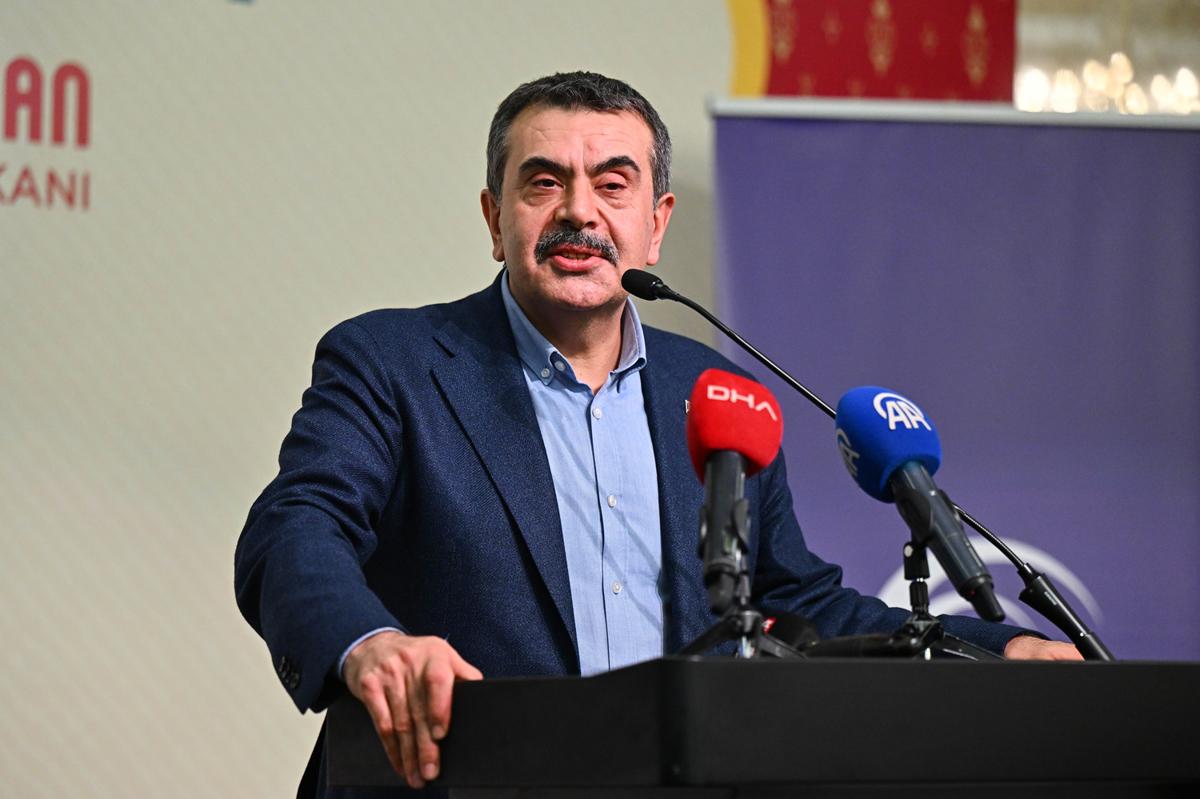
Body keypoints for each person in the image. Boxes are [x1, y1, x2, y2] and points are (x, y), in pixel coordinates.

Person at [234, 71, 1080, 798]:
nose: (579, 211)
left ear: (656, 221)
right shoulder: (392, 362)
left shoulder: (717, 392)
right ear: (494, 219)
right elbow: (294, 530)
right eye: (543, 183)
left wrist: (999, 646)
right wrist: (371, 644)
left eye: (613, 184)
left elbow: (800, 604)